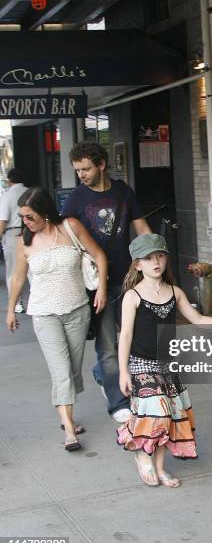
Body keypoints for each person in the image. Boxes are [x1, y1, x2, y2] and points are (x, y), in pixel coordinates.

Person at [116, 233, 212, 487]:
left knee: (170, 415)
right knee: (158, 410)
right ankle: (144, 457)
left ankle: (161, 466)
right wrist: (123, 371)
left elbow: (197, 319)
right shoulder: (132, 296)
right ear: (137, 264)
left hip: (167, 363)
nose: (156, 261)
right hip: (141, 363)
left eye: (160, 256)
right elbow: (126, 336)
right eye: (148, 258)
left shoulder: (174, 292)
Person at [6, 187, 108, 451]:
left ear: (44, 212)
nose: (25, 222)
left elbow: (99, 255)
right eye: (22, 217)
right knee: (61, 371)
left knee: (73, 369)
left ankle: (67, 416)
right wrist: (10, 309)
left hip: (77, 310)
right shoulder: (24, 241)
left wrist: (102, 290)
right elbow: (18, 277)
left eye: (29, 217)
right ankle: (70, 431)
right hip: (43, 312)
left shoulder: (70, 227)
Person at [62, 141, 151, 423]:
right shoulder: (75, 199)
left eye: (86, 169)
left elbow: (142, 227)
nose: (81, 175)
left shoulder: (123, 191)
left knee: (135, 339)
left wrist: (153, 258)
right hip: (96, 284)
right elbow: (65, 239)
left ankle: (106, 374)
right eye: (77, 170)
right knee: (108, 346)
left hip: (128, 279)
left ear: (101, 165)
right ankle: (118, 403)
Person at [0, 168, 27, 313]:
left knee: (13, 270)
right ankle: (37, 300)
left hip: (12, 234)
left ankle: (17, 303)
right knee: (33, 270)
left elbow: (3, 220)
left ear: (9, 181)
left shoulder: (7, 196)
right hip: (31, 232)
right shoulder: (30, 192)